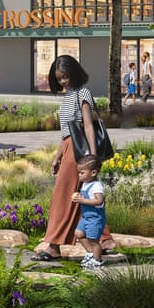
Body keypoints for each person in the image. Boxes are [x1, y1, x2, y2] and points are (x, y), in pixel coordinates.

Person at [33, 55, 117, 261]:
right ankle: (105, 241)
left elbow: (87, 125)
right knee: (80, 197)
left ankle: (53, 246)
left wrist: (93, 157)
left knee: (62, 195)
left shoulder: (83, 93)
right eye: (59, 78)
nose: (63, 81)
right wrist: (57, 157)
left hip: (80, 152)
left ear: (74, 73)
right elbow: (66, 133)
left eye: (66, 77)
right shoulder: (69, 95)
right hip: (70, 148)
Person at [72, 157, 107, 270]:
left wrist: (83, 200)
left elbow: (99, 200)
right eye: (79, 172)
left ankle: (97, 261)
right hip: (85, 216)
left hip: (95, 217)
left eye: (82, 172)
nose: (79, 175)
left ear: (93, 172)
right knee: (78, 233)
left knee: (93, 240)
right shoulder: (86, 184)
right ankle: (90, 253)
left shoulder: (97, 185)